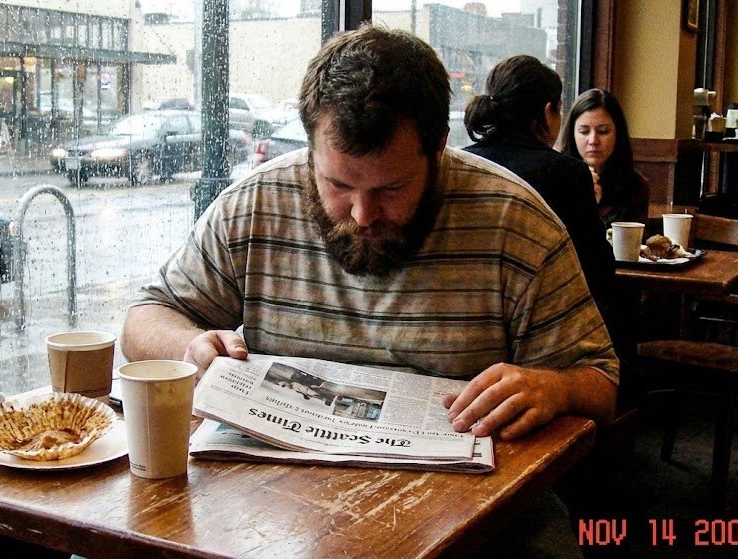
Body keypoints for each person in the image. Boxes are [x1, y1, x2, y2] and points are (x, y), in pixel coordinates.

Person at [122, 24, 619, 557]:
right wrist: (189, 347)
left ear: (439, 149)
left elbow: (603, 384)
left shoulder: (517, 222)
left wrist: (555, 388)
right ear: (310, 146)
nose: (361, 215)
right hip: (279, 511)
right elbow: (146, 317)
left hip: (479, 517)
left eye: (392, 188)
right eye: (338, 184)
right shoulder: (255, 205)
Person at [460, 55, 617, 354]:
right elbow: (596, 270)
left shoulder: (461, 162)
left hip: (468, 325)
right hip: (541, 334)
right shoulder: (566, 173)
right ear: (548, 111)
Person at [558, 88, 650, 228]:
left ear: (618, 134)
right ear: (572, 134)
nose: (593, 140)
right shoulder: (557, 179)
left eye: (603, 131)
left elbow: (634, 239)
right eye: (584, 132)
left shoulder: (635, 185)